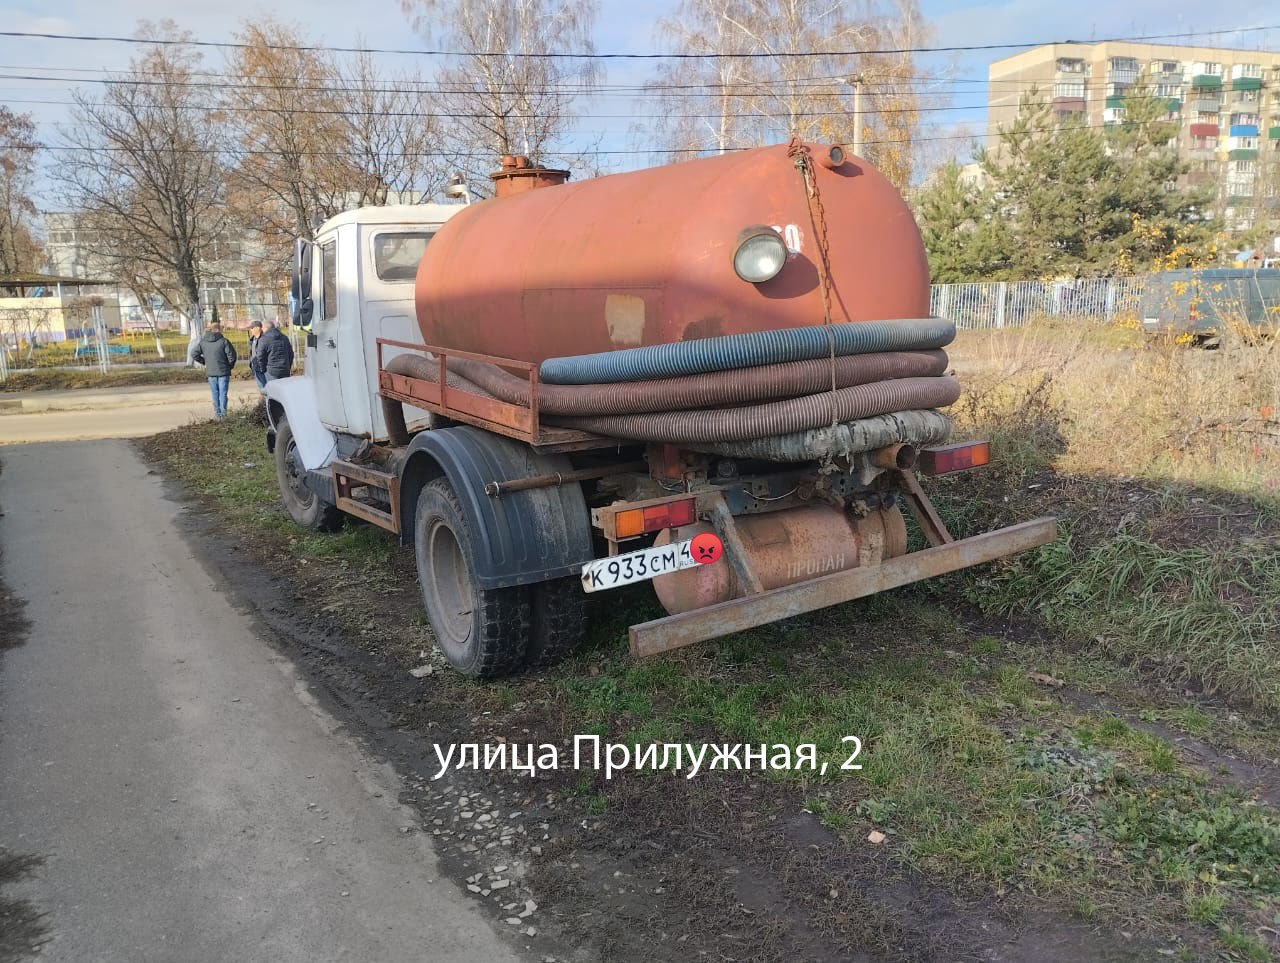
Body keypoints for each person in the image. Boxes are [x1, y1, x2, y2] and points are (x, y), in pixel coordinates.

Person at [191, 322, 237, 418]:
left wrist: (205, 362)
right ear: (219, 329)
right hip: (223, 372)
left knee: (215, 394)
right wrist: (229, 366)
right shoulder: (224, 341)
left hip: (211, 372)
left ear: (211, 329)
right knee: (223, 394)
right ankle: (224, 415)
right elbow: (232, 356)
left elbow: (194, 354)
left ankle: (217, 414)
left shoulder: (203, 342)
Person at [257, 319, 295, 383]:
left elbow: (260, 356)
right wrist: (288, 366)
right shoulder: (284, 337)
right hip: (285, 370)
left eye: (262, 328)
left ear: (265, 328)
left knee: (273, 392)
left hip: (271, 371)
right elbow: (291, 354)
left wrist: (263, 369)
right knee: (284, 391)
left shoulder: (264, 339)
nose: (262, 330)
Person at [246, 321, 266, 389]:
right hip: (255, 367)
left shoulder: (264, 339)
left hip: (262, 368)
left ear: (258, 328)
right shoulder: (252, 339)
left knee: (265, 387)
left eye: (252, 328)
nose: (250, 330)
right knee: (261, 387)